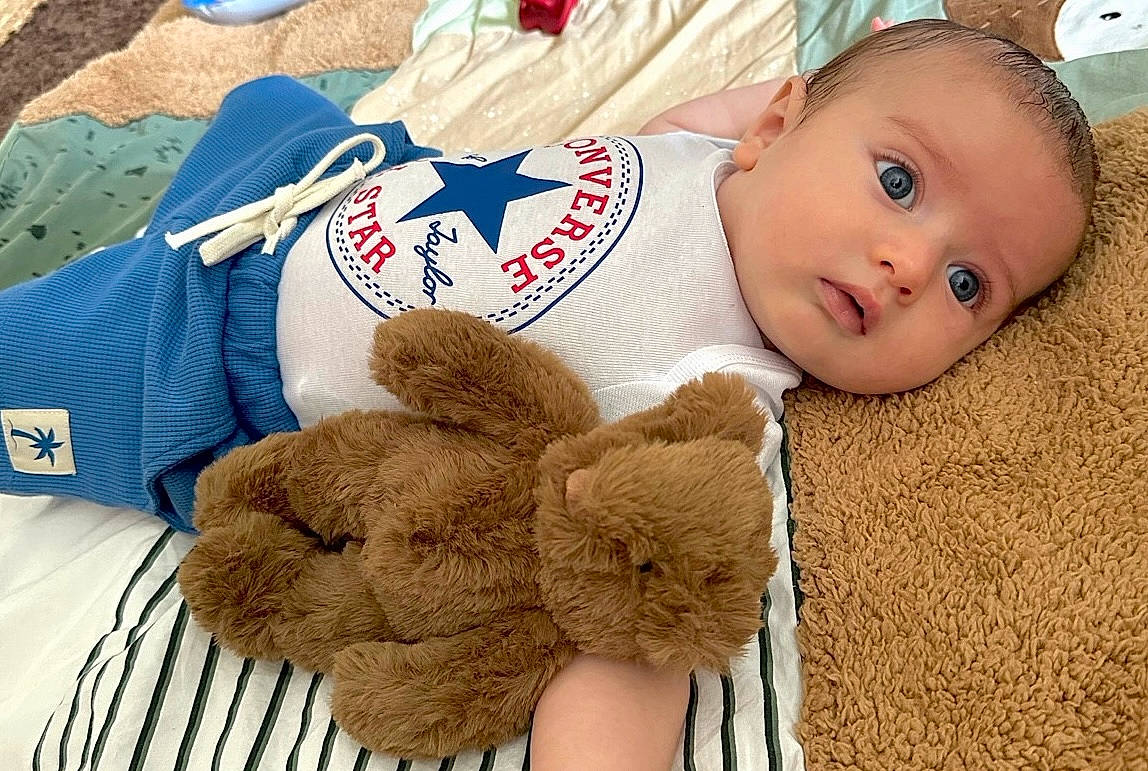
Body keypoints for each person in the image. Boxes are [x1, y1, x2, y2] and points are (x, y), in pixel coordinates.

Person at [0, 17, 1097, 771]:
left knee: (26, 358)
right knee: (266, 93)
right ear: (775, 128)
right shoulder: (720, 154)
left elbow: (630, 624)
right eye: (897, 182)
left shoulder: (711, 398)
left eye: (968, 284)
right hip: (334, 177)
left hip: (206, 358)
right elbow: (734, 108)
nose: (909, 263)